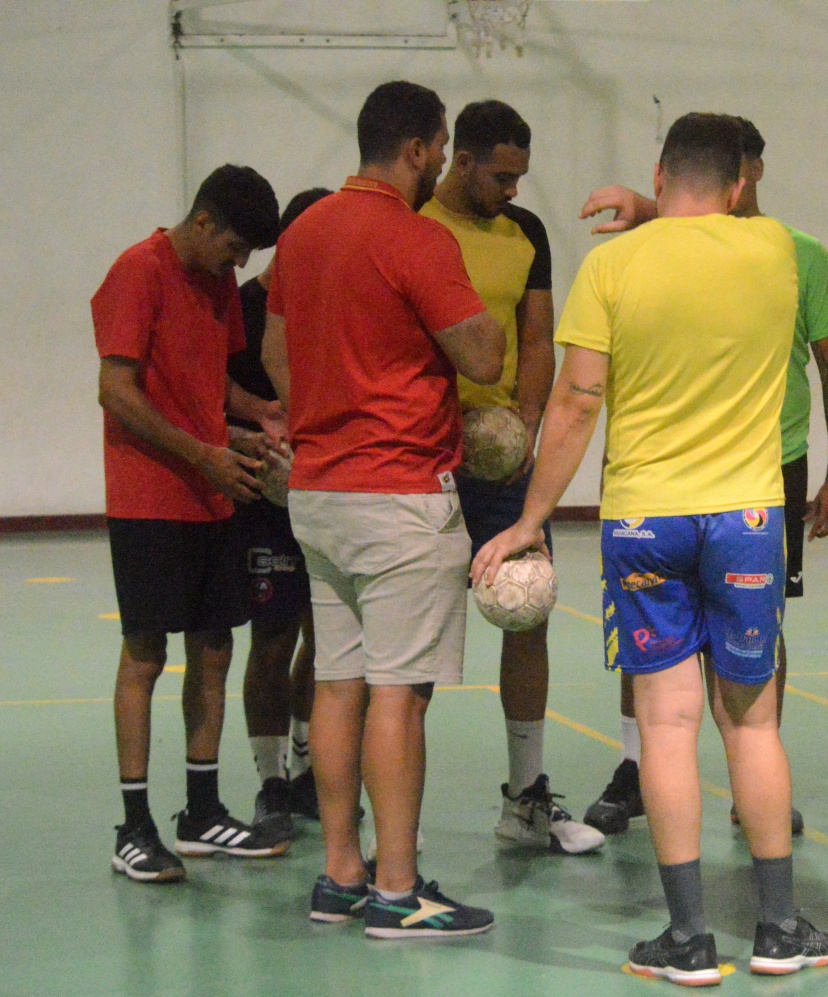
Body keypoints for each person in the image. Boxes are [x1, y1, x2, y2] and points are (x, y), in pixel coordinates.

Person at [474, 112, 828, 984]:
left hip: (644, 520)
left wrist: (529, 518)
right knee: (752, 722)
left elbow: (573, 402)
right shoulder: (784, 253)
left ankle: (687, 940)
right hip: (749, 517)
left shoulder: (611, 265)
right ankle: (780, 927)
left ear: (659, 171)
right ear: (743, 183)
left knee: (666, 726)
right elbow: (739, 235)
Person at [262, 80, 507, 939]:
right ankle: (399, 892)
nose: (441, 162)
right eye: (439, 149)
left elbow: (272, 351)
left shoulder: (303, 234)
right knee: (398, 697)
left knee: (338, 683)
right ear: (416, 149)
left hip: (319, 490)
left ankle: (341, 873)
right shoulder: (419, 238)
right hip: (400, 494)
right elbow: (482, 350)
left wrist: (328, 411)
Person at [577, 117, 828, 840]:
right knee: (657, 653)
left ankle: (743, 773)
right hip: (706, 485)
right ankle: (638, 765)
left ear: (752, 173)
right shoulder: (768, 249)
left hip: (768, 465)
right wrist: (653, 211)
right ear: (737, 183)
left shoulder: (800, 254)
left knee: (755, 635)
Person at [94, 164, 290, 883]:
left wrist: (250, 419)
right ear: (203, 221)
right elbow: (116, 389)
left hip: (213, 493)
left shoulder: (215, 287)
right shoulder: (136, 271)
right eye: (234, 248)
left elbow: (207, 383)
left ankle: (202, 810)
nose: (237, 266)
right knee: (145, 654)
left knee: (214, 649)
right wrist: (202, 452)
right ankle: (134, 825)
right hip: (149, 497)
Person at [421, 100, 603, 855]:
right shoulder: (414, 226)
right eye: (501, 176)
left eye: (521, 176)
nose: (513, 191)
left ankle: (526, 797)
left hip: (498, 460)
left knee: (527, 609)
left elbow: (537, 336)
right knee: (412, 638)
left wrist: (525, 425)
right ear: (460, 162)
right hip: (422, 452)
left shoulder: (524, 234)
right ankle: (391, 818)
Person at [232, 187, 334, 839]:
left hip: (327, 496)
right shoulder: (241, 308)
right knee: (272, 641)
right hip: (262, 505)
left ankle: (307, 770)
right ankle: (270, 781)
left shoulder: (329, 304)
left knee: (326, 642)